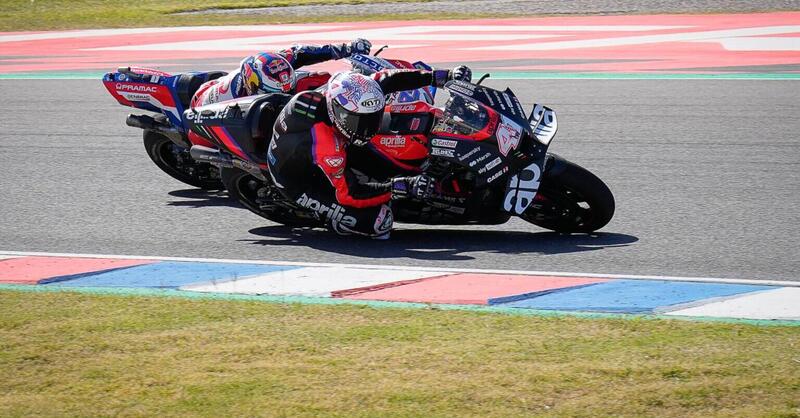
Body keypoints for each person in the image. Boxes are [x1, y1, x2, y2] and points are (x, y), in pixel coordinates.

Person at [267, 66, 472, 239]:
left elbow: (388, 79)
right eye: (359, 122)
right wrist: (398, 187)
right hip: (297, 180)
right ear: (338, 112)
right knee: (380, 223)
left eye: (372, 118)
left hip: (328, 141)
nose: (369, 128)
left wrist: (439, 76)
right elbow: (348, 194)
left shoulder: (349, 91)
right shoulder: (326, 146)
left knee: (398, 161)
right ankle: (334, 221)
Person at [190, 39, 373, 108]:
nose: (286, 94)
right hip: (204, 110)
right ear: (252, 85)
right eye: (280, 92)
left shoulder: (277, 63)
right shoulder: (231, 98)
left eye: (287, 89)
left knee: (320, 77)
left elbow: (303, 51)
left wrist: (347, 49)